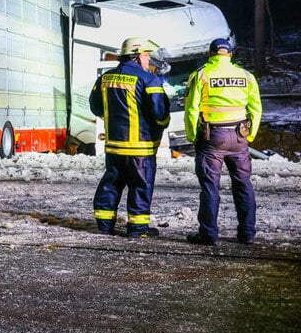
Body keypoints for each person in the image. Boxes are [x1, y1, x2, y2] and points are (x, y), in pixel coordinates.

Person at [183, 38, 262, 245]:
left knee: (210, 187)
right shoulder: (246, 76)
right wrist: (250, 134)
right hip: (239, 138)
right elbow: (256, 108)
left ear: (210, 54)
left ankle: (208, 234)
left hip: (212, 138)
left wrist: (192, 135)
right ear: (230, 55)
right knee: (243, 184)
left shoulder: (200, 75)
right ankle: (247, 234)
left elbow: (191, 110)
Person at [89, 37, 171, 238]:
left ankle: (105, 225)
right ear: (137, 56)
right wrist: (159, 126)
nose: (148, 61)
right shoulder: (149, 79)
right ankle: (138, 229)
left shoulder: (105, 78)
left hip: (114, 147)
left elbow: (96, 107)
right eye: (146, 56)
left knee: (112, 183)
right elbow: (161, 115)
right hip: (140, 149)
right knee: (140, 187)